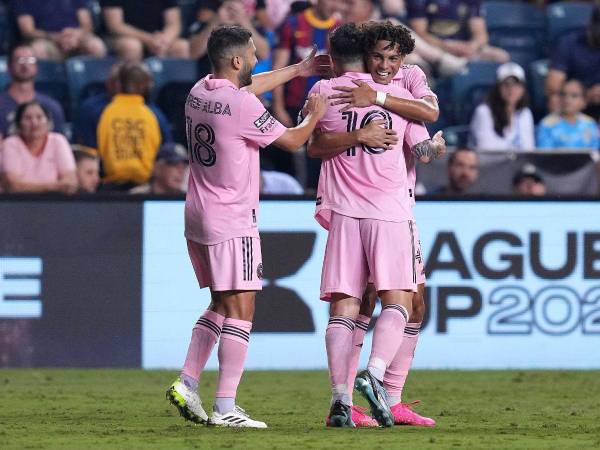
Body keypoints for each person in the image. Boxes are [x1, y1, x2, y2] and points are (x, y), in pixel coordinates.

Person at [164, 24, 327, 428]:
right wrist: (314, 116)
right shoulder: (242, 106)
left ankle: (187, 381)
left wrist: (298, 70)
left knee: (221, 303)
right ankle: (225, 406)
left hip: (198, 212)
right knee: (242, 308)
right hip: (233, 218)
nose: (257, 60)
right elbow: (292, 141)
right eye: (253, 54)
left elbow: (248, 89)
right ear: (237, 60)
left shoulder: (200, 90)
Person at [305, 22, 442, 428]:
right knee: (399, 301)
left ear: (402, 59)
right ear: (366, 54)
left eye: (392, 58)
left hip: (344, 213)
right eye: (378, 56)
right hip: (388, 212)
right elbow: (423, 140)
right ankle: (377, 378)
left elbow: (309, 144)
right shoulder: (399, 96)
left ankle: (341, 402)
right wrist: (432, 146)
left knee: (347, 306)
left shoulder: (322, 92)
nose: (384, 64)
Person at [270, 0, 342, 182]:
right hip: (294, 104)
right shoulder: (293, 24)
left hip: (327, 107)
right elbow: (278, 66)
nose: (334, 6)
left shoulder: (340, 29)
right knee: (290, 160)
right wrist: (279, 107)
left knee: (318, 161)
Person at [91, 62, 172, 190]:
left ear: (119, 84)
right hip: (145, 186)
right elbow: (166, 150)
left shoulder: (103, 112)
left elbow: (93, 150)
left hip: (109, 188)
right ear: (146, 86)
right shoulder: (153, 115)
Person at [341, 0, 466, 77]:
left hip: (377, 58)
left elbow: (393, 7)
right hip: (354, 59)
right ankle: (439, 60)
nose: (346, 7)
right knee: (392, 25)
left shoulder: (371, 14)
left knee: (411, 58)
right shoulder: (338, 16)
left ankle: (427, 74)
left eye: (351, 3)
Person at [1, 101, 76, 194]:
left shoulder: (58, 141)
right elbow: (13, 186)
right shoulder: (10, 144)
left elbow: (70, 183)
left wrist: (30, 187)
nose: (34, 123)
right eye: (28, 118)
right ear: (18, 124)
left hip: (55, 203)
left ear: (48, 122)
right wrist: (54, 186)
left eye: (39, 117)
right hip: (18, 203)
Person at [407, 0, 509, 63]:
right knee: (413, 57)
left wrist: (472, 46)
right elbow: (419, 33)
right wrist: (446, 46)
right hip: (434, 48)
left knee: (501, 56)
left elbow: (481, 34)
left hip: (464, 47)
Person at [0, 43, 66, 139]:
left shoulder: (51, 107)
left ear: (37, 66)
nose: (25, 65)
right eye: (19, 60)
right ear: (9, 67)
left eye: (30, 60)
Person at [545, 6, 600, 120]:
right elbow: (553, 86)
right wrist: (585, 95)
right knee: (554, 99)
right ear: (590, 25)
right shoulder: (569, 42)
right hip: (574, 100)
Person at [469, 62, 535, 152]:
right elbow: (486, 152)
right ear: (497, 88)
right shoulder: (483, 112)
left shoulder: (525, 113)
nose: (511, 89)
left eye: (516, 84)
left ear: (523, 88)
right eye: (506, 84)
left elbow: (528, 151)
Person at [10, 0, 106, 61]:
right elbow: (28, 31)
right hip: (47, 40)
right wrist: (57, 37)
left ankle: (97, 91)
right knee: (38, 50)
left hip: (76, 38)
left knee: (96, 46)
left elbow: (87, 25)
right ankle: (46, 89)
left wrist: (76, 35)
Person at [101, 0, 190, 61]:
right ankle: (132, 87)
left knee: (182, 46)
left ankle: (175, 88)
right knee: (132, 46)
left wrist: (164, 40)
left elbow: (173, 24)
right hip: (121, 38)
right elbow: (115, 26)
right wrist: (149, 39)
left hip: (158, 39)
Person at [537, 79, 600, 150]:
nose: (567, 100)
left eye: (574, 96)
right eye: (563, 94)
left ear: (584, 102)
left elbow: (595, 153)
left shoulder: (589, 123)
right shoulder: (547, 124)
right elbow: (544, 155)